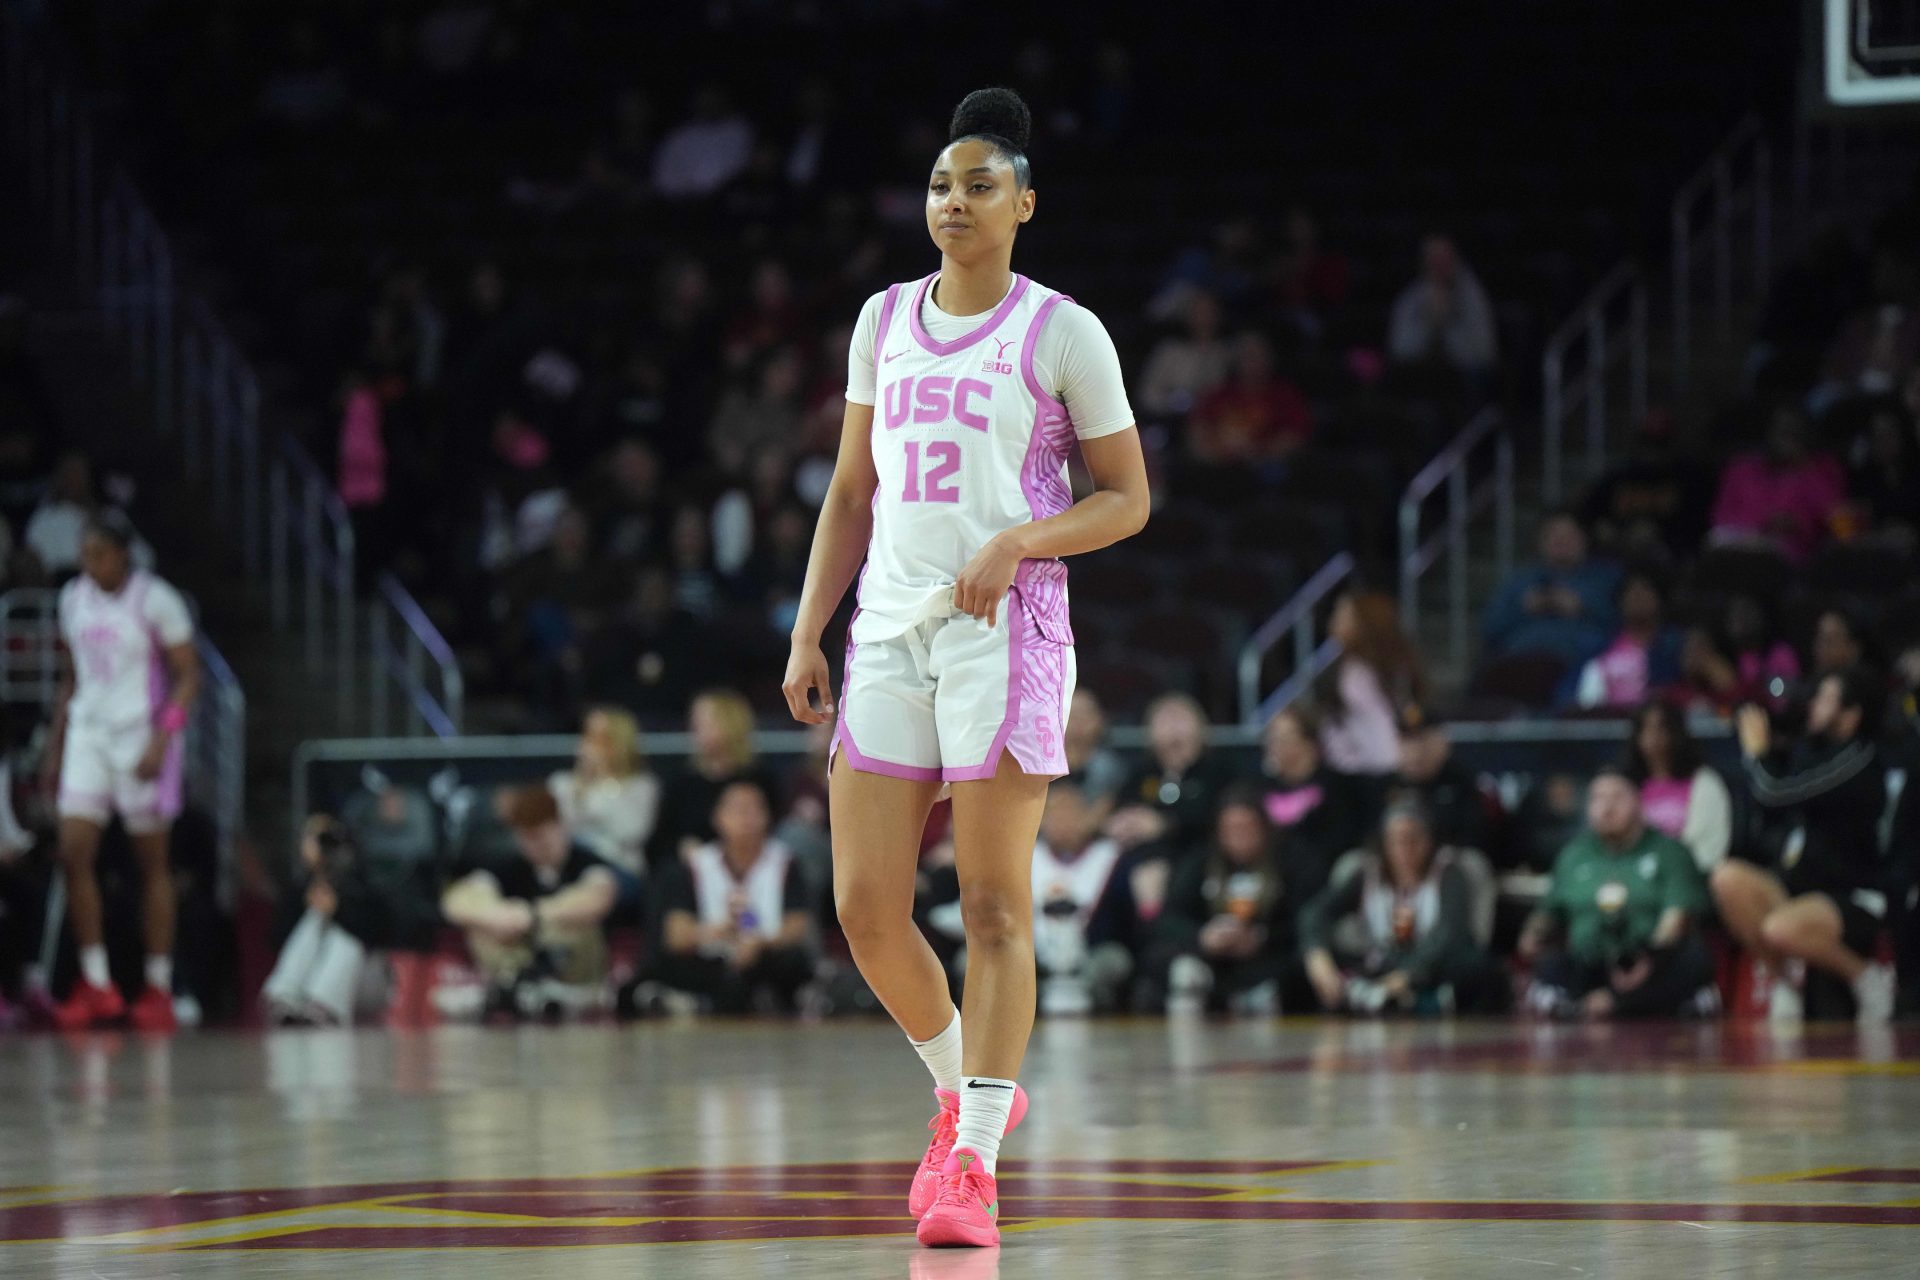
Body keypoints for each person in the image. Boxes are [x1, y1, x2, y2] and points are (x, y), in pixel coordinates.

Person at [779, 88, 1150, 1249]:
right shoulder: (882, 319)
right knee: (865, 910)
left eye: (980, 184)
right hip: (886, 630)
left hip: (1007, 633)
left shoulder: (1063, 332)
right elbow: (850, 493)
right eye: (942, 184)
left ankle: (976, 1163)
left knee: (991, 903)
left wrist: (1021, 539)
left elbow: (1127, 500)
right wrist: (806, 629)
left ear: (1025, 203)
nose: (955, 201)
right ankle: (959, 1091)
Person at [43, 513, 200, 1031]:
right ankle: (97, 980)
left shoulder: (156, 600)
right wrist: (55, 745)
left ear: (122, 555)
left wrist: (163, 736)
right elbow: (72, 675)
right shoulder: (72, 599)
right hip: (90, 734)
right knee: (72, 852)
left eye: (98, 554)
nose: (89, 564)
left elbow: (188, 675)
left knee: (151, 862)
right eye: (84, 554)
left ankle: (157, 985)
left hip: (139, 736)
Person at [1711, 669, 1897, 1023]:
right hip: (1799, 888)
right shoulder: (1813, 750)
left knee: (1778, 929)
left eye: (1825, 698)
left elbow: (1774, 793)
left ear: (1851, 713)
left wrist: (1755, 754)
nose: (1813, 704)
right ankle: (1786, 983)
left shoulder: (1857, 759)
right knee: (1727, 878)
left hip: (1851, 895)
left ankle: (1867, 977)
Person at [1518, 768, 1715, 1020]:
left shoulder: (1670, 852)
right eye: (1598, 799)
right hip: (1590, 962)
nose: (1607, 808)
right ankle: (1599, 1003)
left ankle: (1615, 1004)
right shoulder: (1573, 855)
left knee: (1693, 960)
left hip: (1649, 962)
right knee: (1551, 965)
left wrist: (1649, 959)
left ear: (1639, 803)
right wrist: (1533, 934)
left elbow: (1677, 917)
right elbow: (1547, 912)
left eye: (1617, 798)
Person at [1300, 796, 1501, 1014]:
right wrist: (1317, 957)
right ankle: (1383, 997)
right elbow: (1315, 913)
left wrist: (1409, 974)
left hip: (1431, 962)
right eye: (1396, 840)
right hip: (1383, 959)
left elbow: (1450, 931)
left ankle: (1414, 999)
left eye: (1413, 839)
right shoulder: (1368, 873)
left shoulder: (1447, 872)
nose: (1405, 849)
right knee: (1304, 964)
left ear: (1429, 839)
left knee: (1475, 965)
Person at [441, 785, 620, 1018]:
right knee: (486, 931)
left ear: (560, 826)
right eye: (526, 837)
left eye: (541, 835)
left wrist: (534, 915)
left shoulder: (586, 863)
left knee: (568, 928)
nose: (535, 845)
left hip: (576, 978)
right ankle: (513, 987)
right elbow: (456, 902)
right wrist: (499, 917)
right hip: (518, 964)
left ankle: (554, 990)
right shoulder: (509, 867)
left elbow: (598, 897)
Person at [645, 777, 818, 1014]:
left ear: (767, 817)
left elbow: (798, 926)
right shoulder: (694, 866)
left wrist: (760, 943)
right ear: (718, 818)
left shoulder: (786, 862)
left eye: (753, 809)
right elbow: (675, 933)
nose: (746, 818)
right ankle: (696, 1000)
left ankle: (705, 1002)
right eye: (737, 809)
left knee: (793, 961)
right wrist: (713, 932)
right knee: (665, 963)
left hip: (765, 955)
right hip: (712, 957)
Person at [1148, 791, 1296, 1015]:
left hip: (1266, 957)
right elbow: (1169, 917)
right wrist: (1203, 936)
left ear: (1264, 828)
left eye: (1247, 828)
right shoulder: (1201, 862)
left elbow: (1302, 918)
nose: (1239, 837)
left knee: (1301, 963)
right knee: (1159, 957)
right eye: (1231, 829)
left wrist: (1261, 937)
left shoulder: (1289, 862)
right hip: (1212, 958)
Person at [1029, 777, 1138, 1015]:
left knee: (1115, 960)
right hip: (1034, 959)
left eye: (1071, 812)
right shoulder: (1026, 858)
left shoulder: (1111, 859)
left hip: (1091, 955)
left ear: (1088, 817)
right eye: (1054, 813)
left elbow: (1125, 921)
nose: (1063, 821)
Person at [262, 816, 386, 1026]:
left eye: (327, 838)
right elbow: (277, 938)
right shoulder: (300, 888)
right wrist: (306, 905)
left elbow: (379, 934)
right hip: (307, 984)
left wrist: (338, 910)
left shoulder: (360, 883)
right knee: (312, 920)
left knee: (344, 934)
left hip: (365, 983)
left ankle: (323, 1005)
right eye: (313, 837)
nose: (320, 845)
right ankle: (285, 997)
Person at [1255, 704, 1369, 907]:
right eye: (1273, 738)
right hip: (1272, 880)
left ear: (1310, 742)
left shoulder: (1336, 786)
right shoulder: (1262, 789)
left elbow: (1341, 838)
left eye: (1286, 737)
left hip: (1322, 879)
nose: (1277, 746)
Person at [646, 689, 773, 870]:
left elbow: (774, 837)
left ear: (731, 724)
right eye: (695, 721)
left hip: (752, 870)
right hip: (692, 874)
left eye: (707, 721)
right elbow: (657, 844)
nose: (696, 728)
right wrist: (681, 847)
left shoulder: (757, 781)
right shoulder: (682, 784)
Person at [1707, 404, 1844, 564]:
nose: (1786, 439)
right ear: (1768, 432)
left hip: (1795, 556)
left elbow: (1833, 513)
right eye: (1781, 430)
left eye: (1793, 432)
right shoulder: (1741, 469)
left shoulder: (1822, 469)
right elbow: (1721, 516)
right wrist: (1764, 522)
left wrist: (1802, 465)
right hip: (1742, 546)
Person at [1110, 693, 1242, 858]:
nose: (1173, 729)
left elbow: (1217, 815)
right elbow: (1122, 806)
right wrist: (1122, 822)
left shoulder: (1219, 771)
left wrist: (1165, 824)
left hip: (1203, 856)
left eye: (1181, 719)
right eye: (1165, 720)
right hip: (1144, 857)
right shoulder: (1142, 775)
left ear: (1202, 727)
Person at [1481, 511, 1620, 666]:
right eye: (1554, 536)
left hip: (1583, 665)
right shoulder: (1519, 581)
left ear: (1584, 539)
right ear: (1540, 542)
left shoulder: (1607, 578)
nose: (1562, 542)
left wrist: (1583, 607)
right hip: (1521, 663)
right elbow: (1490, 628)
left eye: (1569, 536)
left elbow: (1630, 625)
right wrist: (1522, 608)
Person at [1316, 590, 1426, 776]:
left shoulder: (1367, 673)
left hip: (1374, 770)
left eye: (1343, 614)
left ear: (1364, 623)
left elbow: (1381, 724)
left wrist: (1394, 763)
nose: (1333, 621)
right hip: (1358, 769)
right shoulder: (1351, 669)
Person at [547, 707, 659, 888]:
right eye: (588, 736)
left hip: (619, 871)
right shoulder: (562, 783)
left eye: (601, 740)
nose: (591, 747)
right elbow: (559, 829)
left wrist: (605, 780)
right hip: (570, 870)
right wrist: (582, 787)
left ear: (620, 744)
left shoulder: (641, 786)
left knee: (598, 881)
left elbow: (629, 832)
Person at [1622, 700, 1731, 874]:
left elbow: (1710, 847)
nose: (1653, 736)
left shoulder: (1704, 783)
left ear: (1676, 733)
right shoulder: (1626, 785)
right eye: (1645, 728)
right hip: (1633, 876)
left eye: (1660, 728)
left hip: (1688, 875)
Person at [1182, 332, 1313, 464]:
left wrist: (1261, 453)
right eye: (1248, 356)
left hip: (1267, 470)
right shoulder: (1218, 394)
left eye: (1258, 355)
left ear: (1269, 359)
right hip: (1220, 470)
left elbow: (1296, 434)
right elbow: (1197, 431)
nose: (1253, 362)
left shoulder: (1285, 395)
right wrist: (1219, 453)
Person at [1386, 235, 1498, 381]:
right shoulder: (1409, 299)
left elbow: (1484, 354)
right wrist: (1429, 321)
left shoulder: (1473, 296)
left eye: (1444, 259)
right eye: (1433, 260)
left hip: (1464, 382)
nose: (1439, 266)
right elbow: (1400, 352)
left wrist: (1449, 320)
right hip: (1421, 382)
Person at [1571, 570, 1684, 710]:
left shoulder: (1674, 644)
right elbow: (1574, 693)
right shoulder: (1599, 645)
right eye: (1632, 592)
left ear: (1659, 598)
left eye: (1645, 591)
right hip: (1606, 723)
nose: (1638, 597)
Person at [1390, 704, 1492, 854]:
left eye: (1422, 740)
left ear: (1442, 742)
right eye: (1406, 741)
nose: (1414, 751)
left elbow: (1477, 840)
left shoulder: (1463, 783)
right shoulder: (1388, 785)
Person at [1678, 594, 1801, 713]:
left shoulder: (1779, 653)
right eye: (1734, 615)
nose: (1739, 620)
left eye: (1746, 613)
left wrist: (1729, 685)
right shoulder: (1725, 657)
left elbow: (1783, 703)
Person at [1062, 687, 1129, 812]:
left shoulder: (1111, 768)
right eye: (1071, 714)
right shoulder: (1039, 766)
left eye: (1085, 714)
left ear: (1101, 720)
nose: (1078, 722)